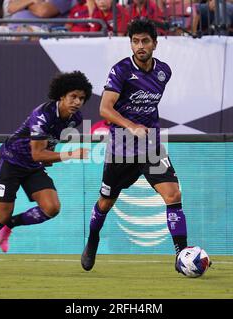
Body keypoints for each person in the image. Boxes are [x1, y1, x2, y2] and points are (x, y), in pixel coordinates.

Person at [80, 18, 190, 274]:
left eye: (145, 41)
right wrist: (130, 126)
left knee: (173, 195)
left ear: (155, 44)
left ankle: (181, 254)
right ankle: (92, 240)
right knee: (105, 203)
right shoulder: (120, 71)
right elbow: (105, 109)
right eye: (135, 41)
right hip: (121, 150)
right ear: (131, 43)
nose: (140, 45)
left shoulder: (164, 72)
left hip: (151, 145)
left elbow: (148, 105)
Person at [0, 71, 93, 273]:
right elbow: (38, 153)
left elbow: (50, 143)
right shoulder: (42, 115)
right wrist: (70, 155)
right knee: (1, 215)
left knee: (52, 208)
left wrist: (53, 154)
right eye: (73, 96)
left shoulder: (75, 118)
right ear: (61, 96)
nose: (77, 102)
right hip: (10, 162)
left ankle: (10, 225)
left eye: (81, 98)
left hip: (32, 166)